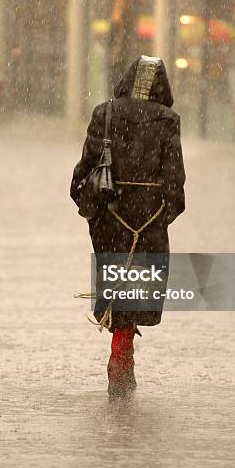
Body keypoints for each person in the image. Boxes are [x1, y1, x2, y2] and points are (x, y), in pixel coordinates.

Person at [71, 55, 186, 397]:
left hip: (110, 214)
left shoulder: (104, 114)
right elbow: (175, 181)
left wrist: (96, 211)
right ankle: (123, 355)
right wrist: (162, 214)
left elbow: (84, 171)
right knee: (137, 285)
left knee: (116, 282)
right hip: (148, 219)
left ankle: (120, 353)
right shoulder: (168, 121)